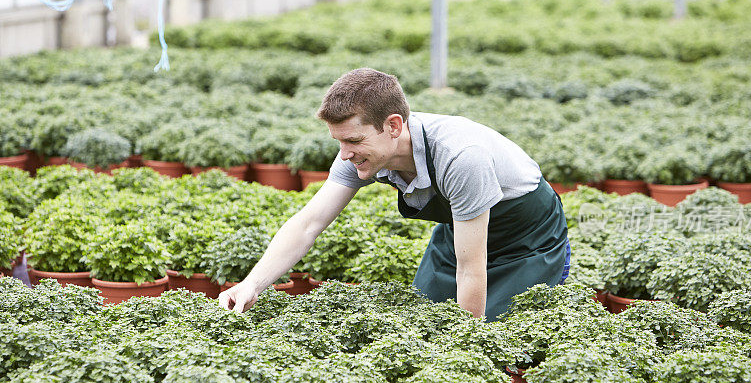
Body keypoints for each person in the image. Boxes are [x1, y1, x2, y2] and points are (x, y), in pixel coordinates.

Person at [219, 68, 569, 321]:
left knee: (499, 333)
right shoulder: (361, 156)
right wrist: (252, 284)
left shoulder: (461, 156)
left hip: (527, 239)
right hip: (462, 237)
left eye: (353, 140)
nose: (344, 153)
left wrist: (465, 349)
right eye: (338, 141)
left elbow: (472, 270)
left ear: (394, 126)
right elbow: (308, 223)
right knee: (421, 321)